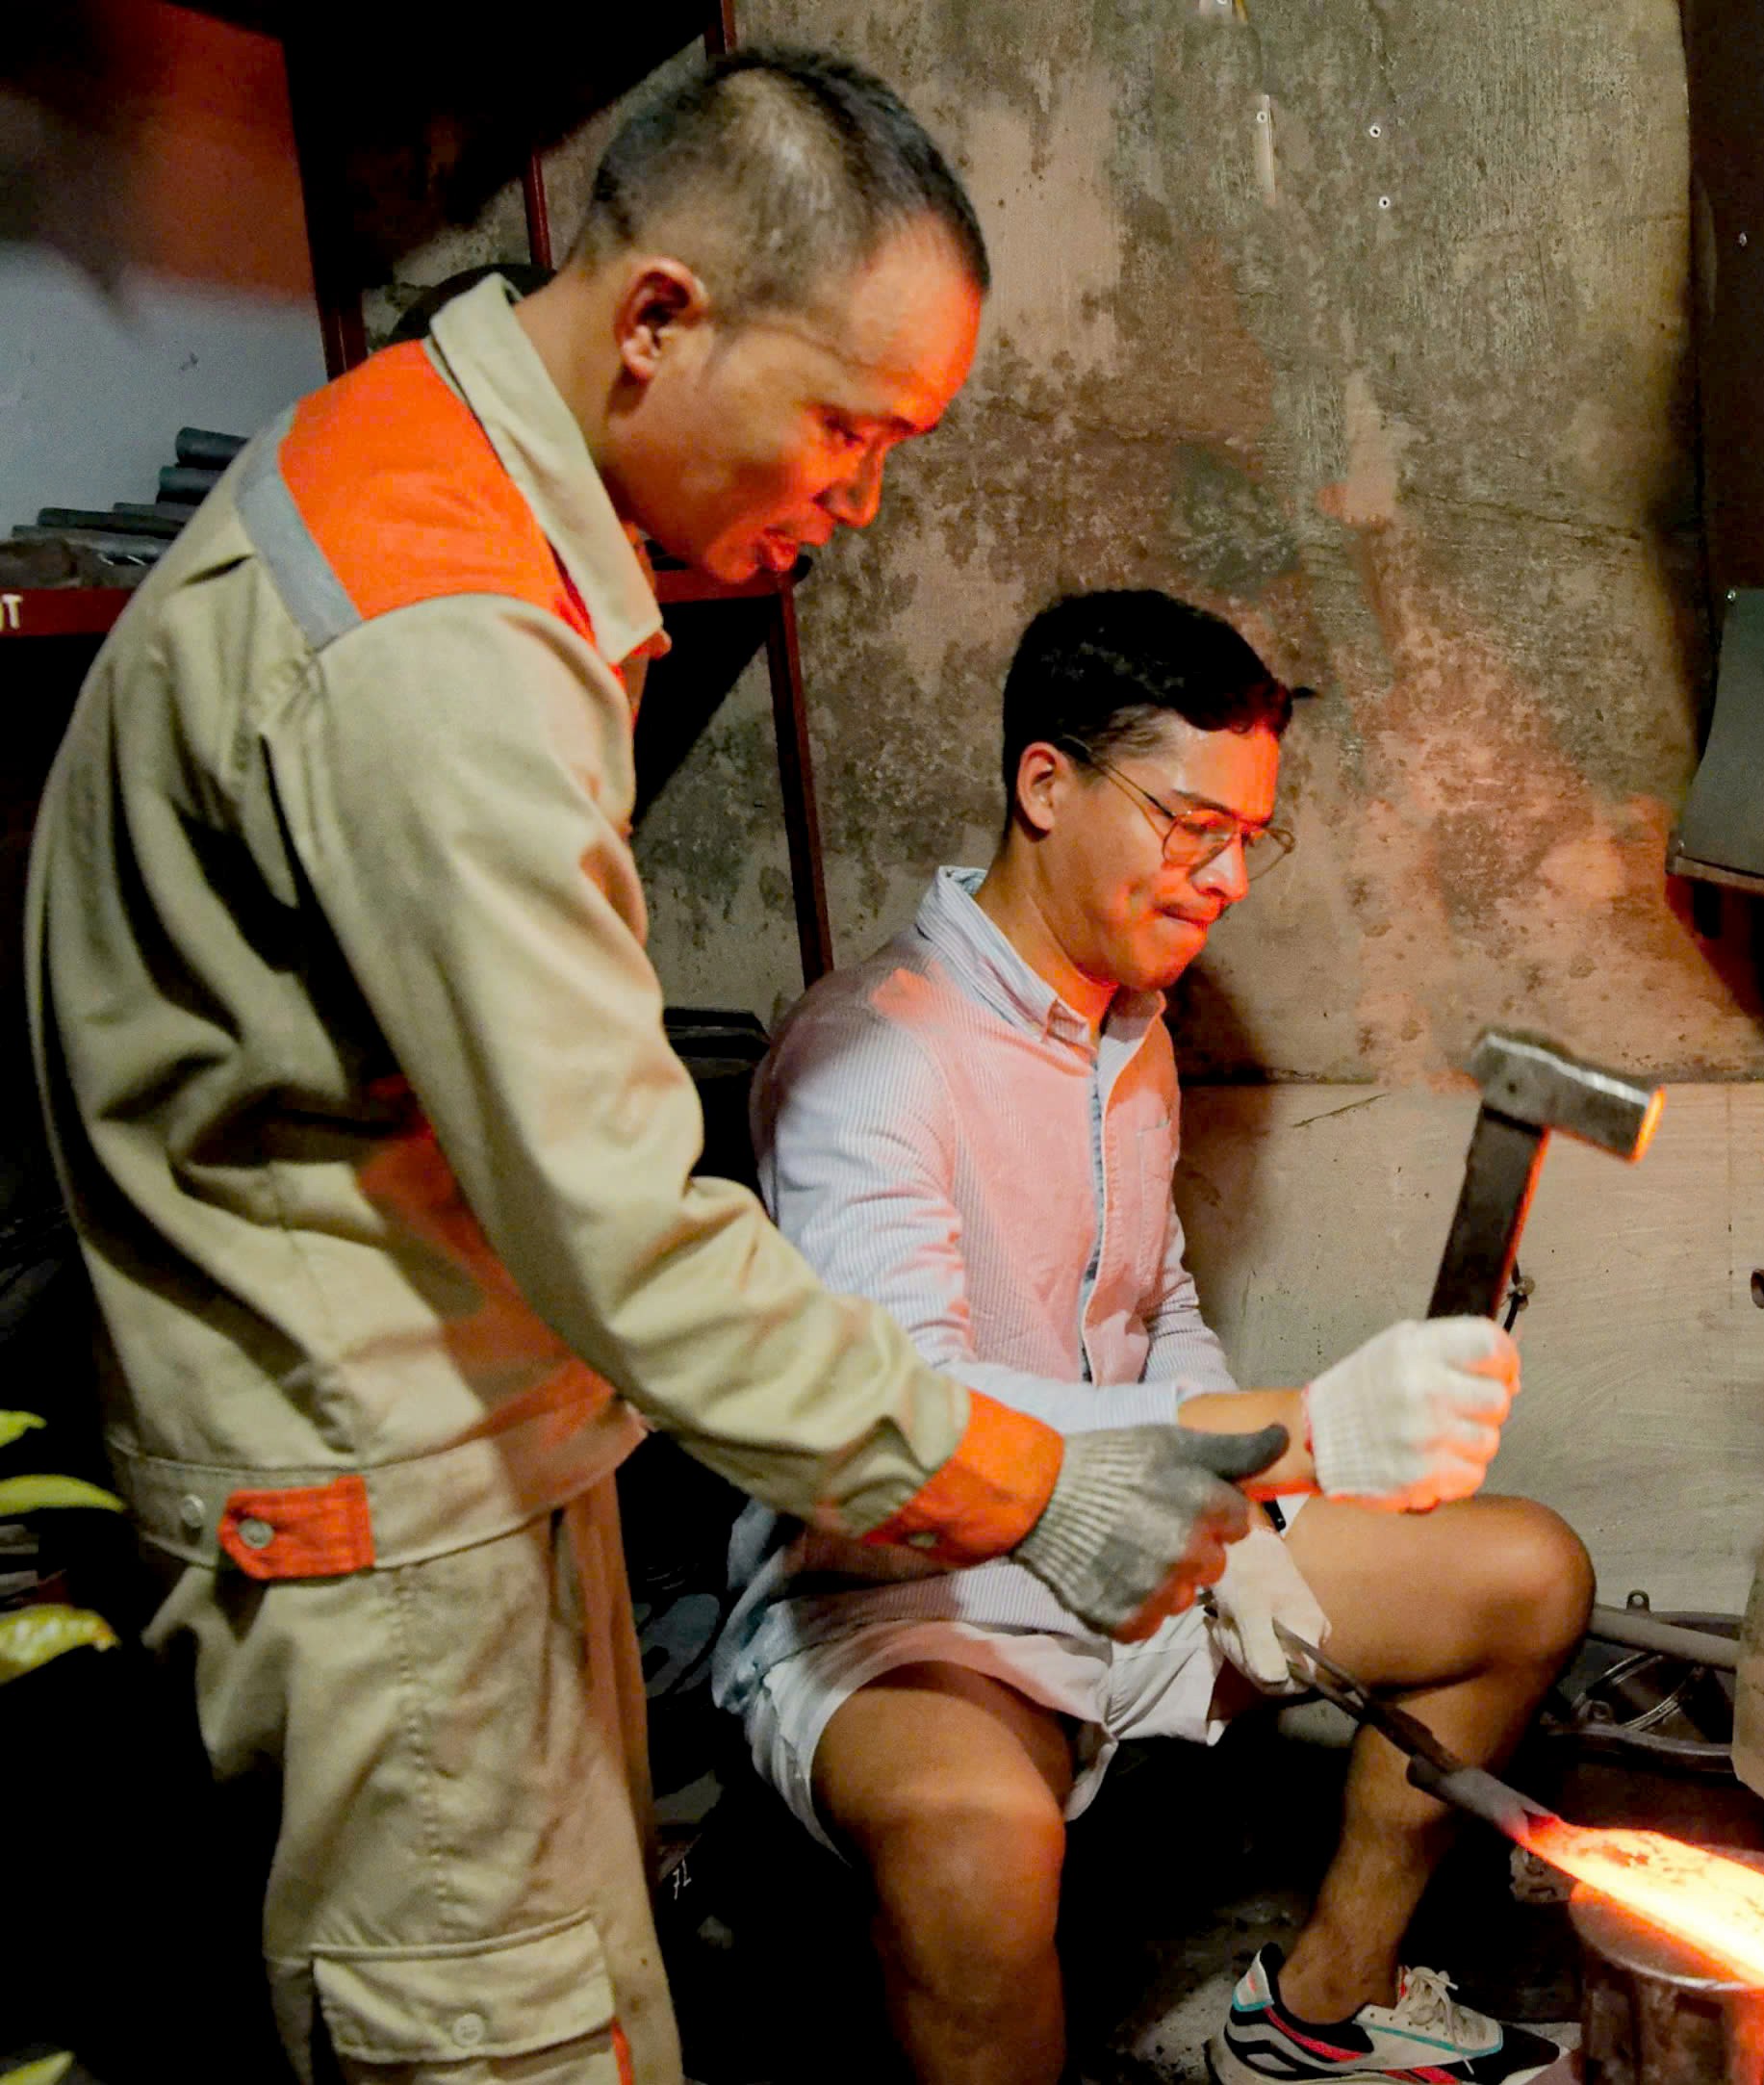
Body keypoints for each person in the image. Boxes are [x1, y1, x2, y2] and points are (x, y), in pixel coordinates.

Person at [24, 54, 1507, 2085]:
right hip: (390, 1517)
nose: (859, 497)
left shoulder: (457, 509)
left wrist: (1199, 1500)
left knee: (588, 2006)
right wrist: (1086, 1484)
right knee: (509, 2039)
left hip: (472, 1454)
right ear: (660, 319)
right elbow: (640, 1245)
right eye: (845, 425)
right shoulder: (443, 635)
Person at [719, 589, 1593, 2085]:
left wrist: (1240, 1521)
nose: (1228, 878)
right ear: (1045, 784)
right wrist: (1303, 1433)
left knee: (1526, 1573)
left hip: (1138, 1546)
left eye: (1249, 835)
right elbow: (908, 1420)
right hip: (913, 1599)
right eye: (1192, 827)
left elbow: (1155, 1307)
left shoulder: (1131, 1029)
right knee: (974, 1847)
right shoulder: (873, 1058)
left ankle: (1324, 2005)